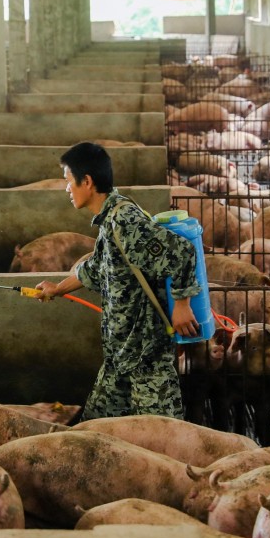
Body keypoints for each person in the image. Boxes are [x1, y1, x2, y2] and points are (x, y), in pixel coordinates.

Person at [35, 141, 201, 420]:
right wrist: (58, 289)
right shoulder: (110, 219)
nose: (66, 189)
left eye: (68, 182)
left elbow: (182, 253)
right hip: (120, 356)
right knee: (97, 427)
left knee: (161, 436)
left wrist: (182, 305)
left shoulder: (125, 219)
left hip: (147, 356)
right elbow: (98, 268)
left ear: (87, 181)